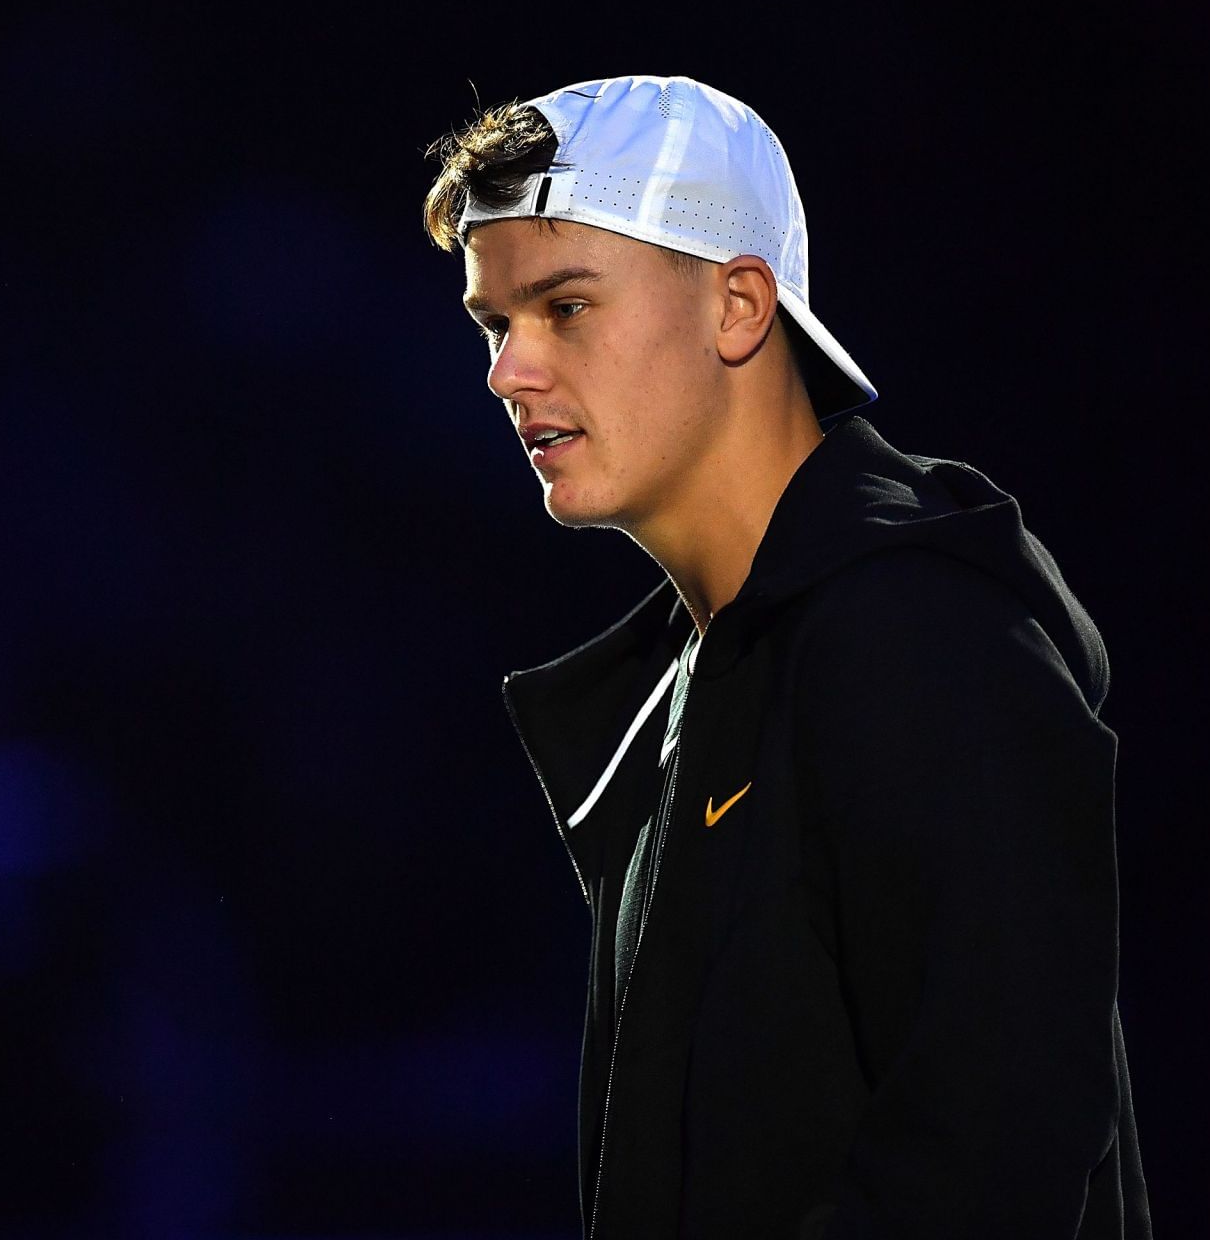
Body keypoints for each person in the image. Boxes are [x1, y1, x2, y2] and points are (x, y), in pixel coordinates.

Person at [424, 76, 1149, 1237]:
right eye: (495, 324)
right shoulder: (696, 689)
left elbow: (991, 1158)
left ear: (739, 305)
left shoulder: (920, 638)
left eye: (565, 307)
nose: (511, 371)